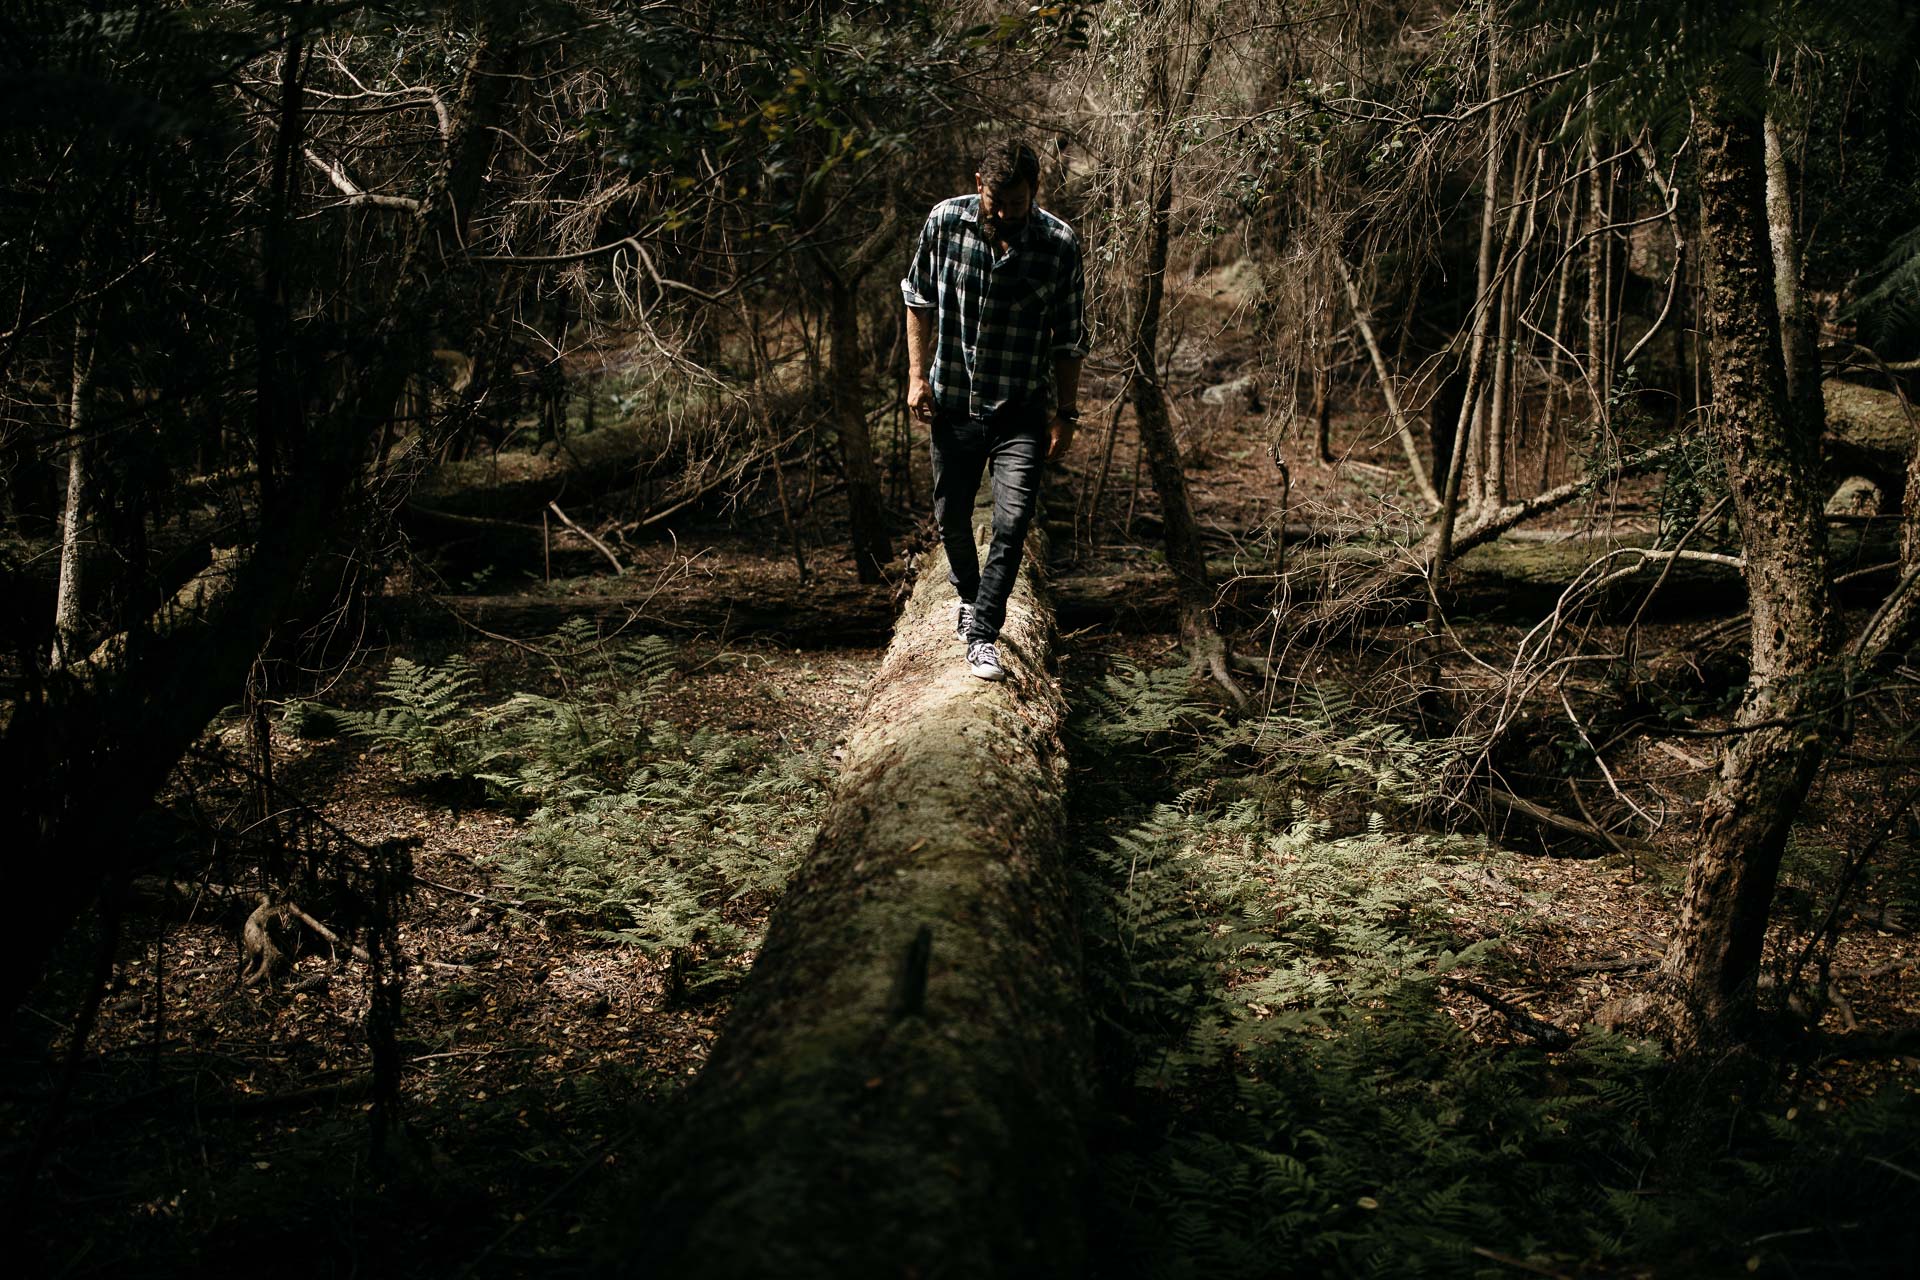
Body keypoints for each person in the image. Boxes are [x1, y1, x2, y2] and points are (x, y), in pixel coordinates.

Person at [901, 135, 1089, 681]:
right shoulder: (944, 222)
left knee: (1011, 523)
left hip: (1021, 410)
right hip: (953, 403)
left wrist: (1067, 414)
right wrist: (916, 378)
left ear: (1036, 191)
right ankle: (967, 593)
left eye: (1018, 203)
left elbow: (1070, 338)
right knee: (951, 519)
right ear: (980, 185)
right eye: (996, 202)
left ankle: (984, 634)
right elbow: (917, 298)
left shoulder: (1059, 244)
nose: (1005, 214)